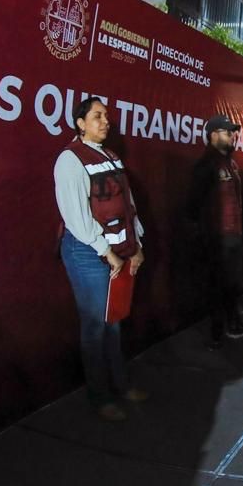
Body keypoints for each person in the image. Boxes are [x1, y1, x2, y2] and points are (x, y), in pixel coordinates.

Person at [54, 97, 148, 422]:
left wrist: (135, 245)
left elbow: (128, 206)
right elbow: (77, 218)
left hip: (117, 252)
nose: (105, 121)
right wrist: (106, 252)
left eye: (106, 116)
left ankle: (120, 385)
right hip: (87, 252)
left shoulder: (111, 156)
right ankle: (101, 397)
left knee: (113, 322)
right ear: (80, 123)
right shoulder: (70, 160)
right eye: (97, 116)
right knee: (96, 326)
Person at [186, 113, 243, 349]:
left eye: (233, 132)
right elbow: (194, 203)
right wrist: (203, 234)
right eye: (228, 132)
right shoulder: (206, 165)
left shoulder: (231, 163)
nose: (233, 136)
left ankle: (234, 324)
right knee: (218, 285)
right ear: (213, 135)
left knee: (233, 283)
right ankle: (217, 333)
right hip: (217, 236)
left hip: (234, 234)